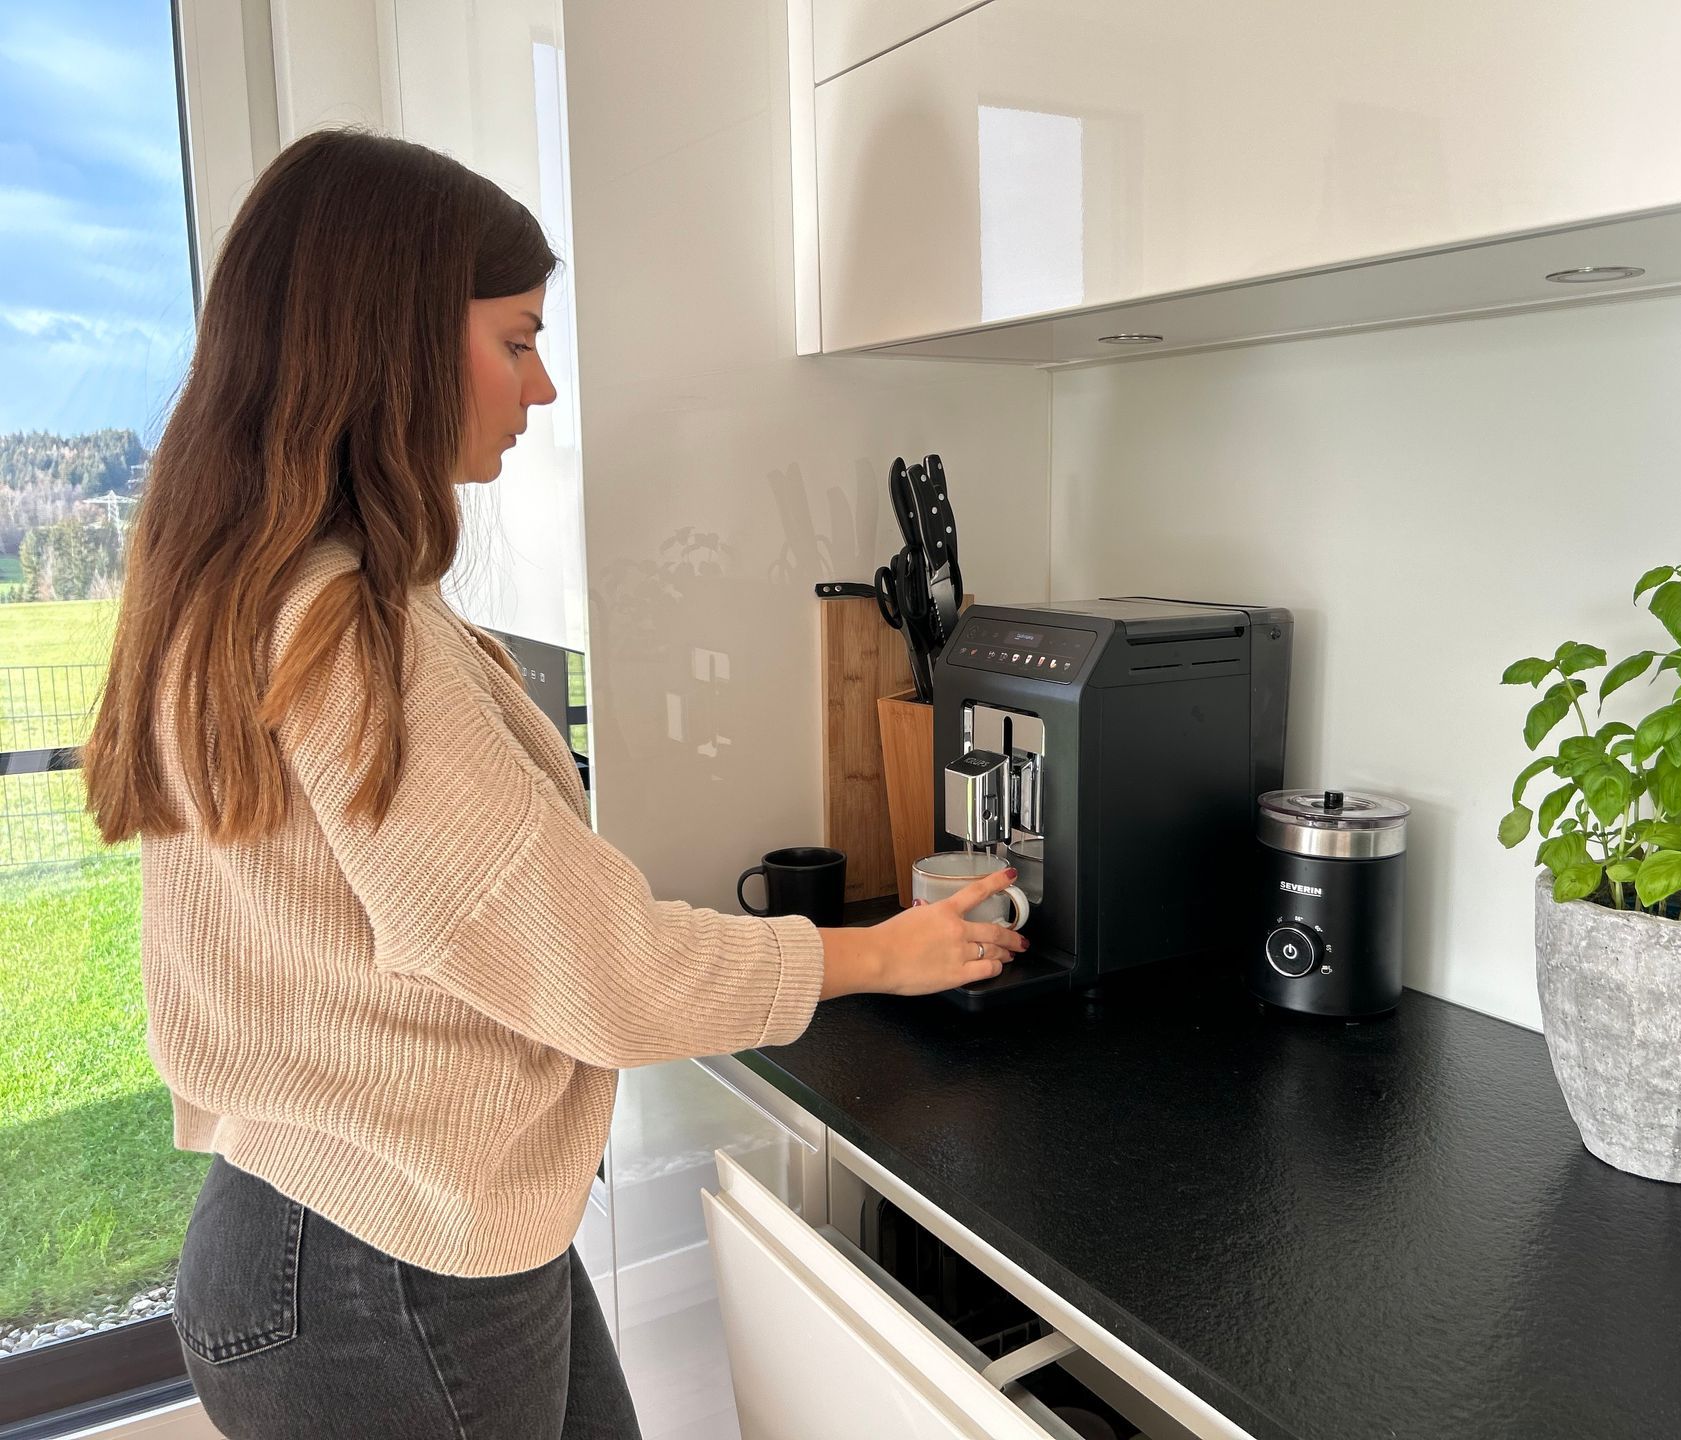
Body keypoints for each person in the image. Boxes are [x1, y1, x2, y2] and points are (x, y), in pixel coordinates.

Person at [82, 128, 1025, 1439]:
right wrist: (880, 955)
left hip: (357, 1231)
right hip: (382, 1270)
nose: (546, 390)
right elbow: (610, 975)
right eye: (517, 341)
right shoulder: (350, 638)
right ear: (395, 342)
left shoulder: (250, 595)